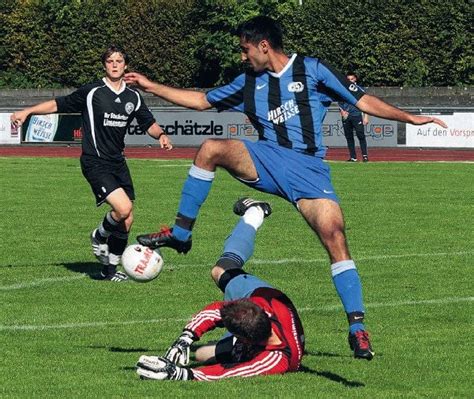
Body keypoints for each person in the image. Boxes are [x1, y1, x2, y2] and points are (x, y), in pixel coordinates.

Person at [124, 16, 447, 358]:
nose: (243, 57)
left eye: (245, 50)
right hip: (267, 159)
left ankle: (357, 330)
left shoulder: (313, 70)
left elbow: (363, 101)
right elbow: (203, 101)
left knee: (335, 238)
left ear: (264, 46)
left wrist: (410, 117)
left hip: (309, 172)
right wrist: (151, 85)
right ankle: (181, 233)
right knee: (211, 148)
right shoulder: (248, 82)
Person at [11, 45, 172, 282]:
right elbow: (59, 104)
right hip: (94, 161)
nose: (115, 64)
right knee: (123, 208)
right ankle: (99, 235)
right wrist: (28, 112)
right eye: (110, 61)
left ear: (125, 65)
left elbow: (148, 123)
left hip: (118, 162)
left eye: (119, 61)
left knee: (127, 218)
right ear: (104, 65)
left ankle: (109, 271)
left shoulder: (133, 97)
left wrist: (161, 135)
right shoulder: (92, 91)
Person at [136, 198, 305, 381]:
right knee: (221, 271)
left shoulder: (277, 359)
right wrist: (185, 338)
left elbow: (233, 372)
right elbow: (216, 310)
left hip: (268, 342)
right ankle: (255, 212)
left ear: (244, 339)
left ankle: (255, 212)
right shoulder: (261, 306)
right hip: (269, 296)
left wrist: (181, 374)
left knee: (202, 355)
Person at [338, 72, 370, 162]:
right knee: (349, 137)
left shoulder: (360, 90)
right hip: (346, 116)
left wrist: (366, 116)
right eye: (348, 79)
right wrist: (342, 112)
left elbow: (366, 104)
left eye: (352, 79)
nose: (350, 81)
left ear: (355, 79)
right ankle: (353, 157)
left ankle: (365, 156)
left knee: (361, 136)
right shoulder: (342, 90)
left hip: (357, 115)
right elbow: (340, 103)